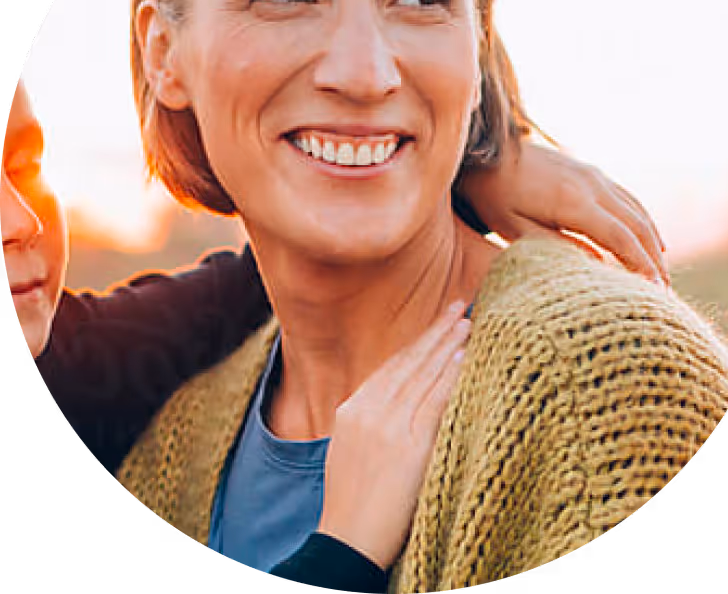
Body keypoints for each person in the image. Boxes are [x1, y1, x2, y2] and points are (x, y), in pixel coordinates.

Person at [114, 0, 728, 588]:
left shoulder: (606, 390)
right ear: (163, 52)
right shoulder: (168, 444)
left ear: (475, 50)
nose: (365, 71)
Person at [6, 69, 665, 591]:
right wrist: (342, 553)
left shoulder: (79, 365)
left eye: (20, 164)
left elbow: (272, 278)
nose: (19, 222)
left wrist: (459, 163)